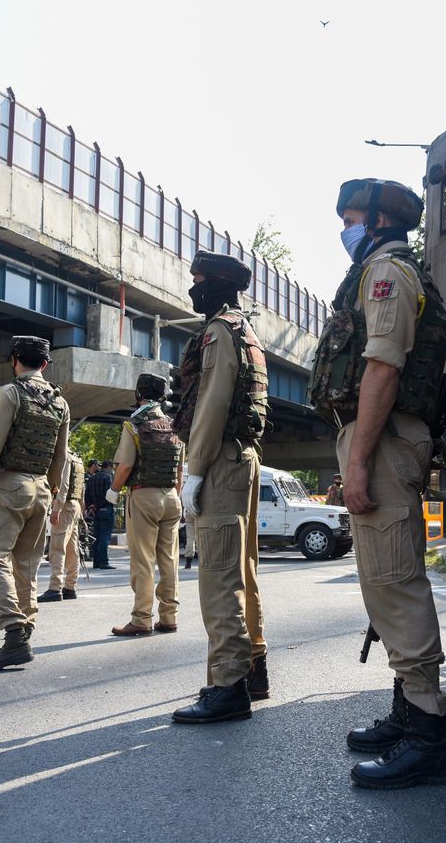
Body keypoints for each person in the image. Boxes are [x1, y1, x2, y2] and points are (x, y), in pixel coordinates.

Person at [310, 178, 446, 789]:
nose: (343, 228)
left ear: (375, 221)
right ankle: (406, 714)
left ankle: (428, 740)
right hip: (384, 436)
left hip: (386, 438)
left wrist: (359, 461)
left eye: (350, 217)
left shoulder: (386, 271)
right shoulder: (385, 268)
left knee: (395, 582)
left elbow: (382, 366)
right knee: (384, 580)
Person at [171, 250, 270, 723]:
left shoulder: (217, 332)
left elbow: (210, 403)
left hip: (220, 461)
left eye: (198, 278)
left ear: (216, 284)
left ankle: (228, 685)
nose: (193, 285)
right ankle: (253, 667)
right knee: (243, 568)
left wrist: (194, 469)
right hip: (243, 457)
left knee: (218, 574)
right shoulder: (247, 331)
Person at [0, 335, 70, 671]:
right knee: (26, 564)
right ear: (46, 364)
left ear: (14, 359)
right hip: (41, 490)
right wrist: (57, 497)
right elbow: (60, 456)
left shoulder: (11, 393)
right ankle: (26, 629)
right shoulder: (60, 402)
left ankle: (14, 632)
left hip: (9, 486)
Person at [109, 373, 184, 636]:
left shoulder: (134, 425)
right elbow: (179, 474)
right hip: (172, 498)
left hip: (143, 495)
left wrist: (114, 490)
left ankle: (141, 618)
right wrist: (176, 496)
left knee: (143, 560)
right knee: (169, 560)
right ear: (163, 397)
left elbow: (126, 465)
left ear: (139, 393)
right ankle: (169, 617)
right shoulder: (175, 426)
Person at [39, 449, 86, 603]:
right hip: (74, 506)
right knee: (72, 549)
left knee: (57, 548)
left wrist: (56, 508)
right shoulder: (77, 458)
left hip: (65, 506)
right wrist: (81, 508)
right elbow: (80, 488)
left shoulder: (64, 457)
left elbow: (64, 485)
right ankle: (70, 587)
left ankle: (55, 588)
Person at [85, 459, 116, 569]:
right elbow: (109, 494)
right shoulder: (108, 477)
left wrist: (91, 506)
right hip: (106, 509)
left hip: (95, 511)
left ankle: (96, 562)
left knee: (96, 536)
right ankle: (104, 562)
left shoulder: (92, 478)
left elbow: (87, 494)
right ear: (109, 467)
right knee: (104, 537)